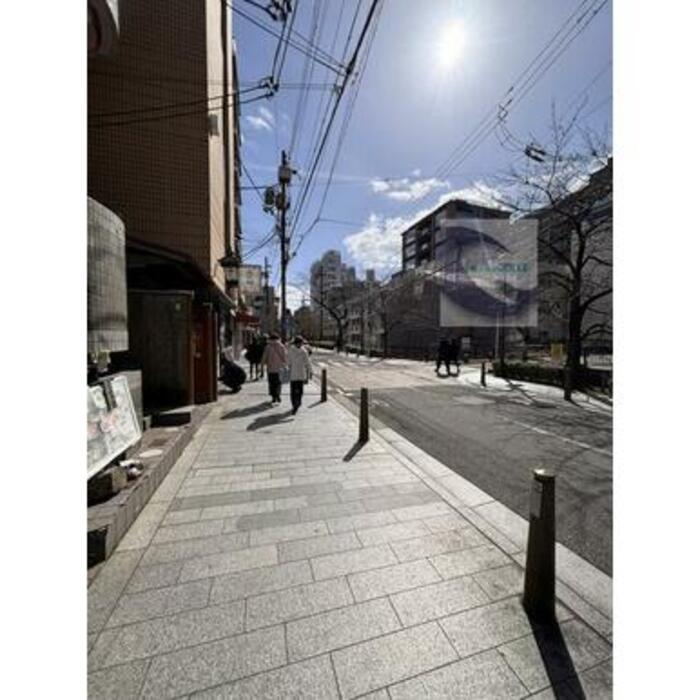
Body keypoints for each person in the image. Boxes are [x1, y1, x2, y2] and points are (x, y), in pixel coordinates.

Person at [287, 335, 312, 414]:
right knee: (294, 391)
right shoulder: (292, 351)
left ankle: (297, 403)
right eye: (299, 343)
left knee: (299, 390)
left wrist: (310, 371)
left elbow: (307, 362)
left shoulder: (304, 351)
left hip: (299, 374)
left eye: (300, 343)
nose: (300, 344)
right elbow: (288, 362)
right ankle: (295, 404)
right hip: (295, 374)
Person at [261, 333, 287, 404]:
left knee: (271, 383)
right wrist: (285, 365)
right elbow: (285, 357)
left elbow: (264, 357)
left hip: (270, 369)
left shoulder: (268, 347)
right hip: (279, 369)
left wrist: (262, 366)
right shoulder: (282, 346)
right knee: (278, 383)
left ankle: (273, 397)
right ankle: (278, 394)